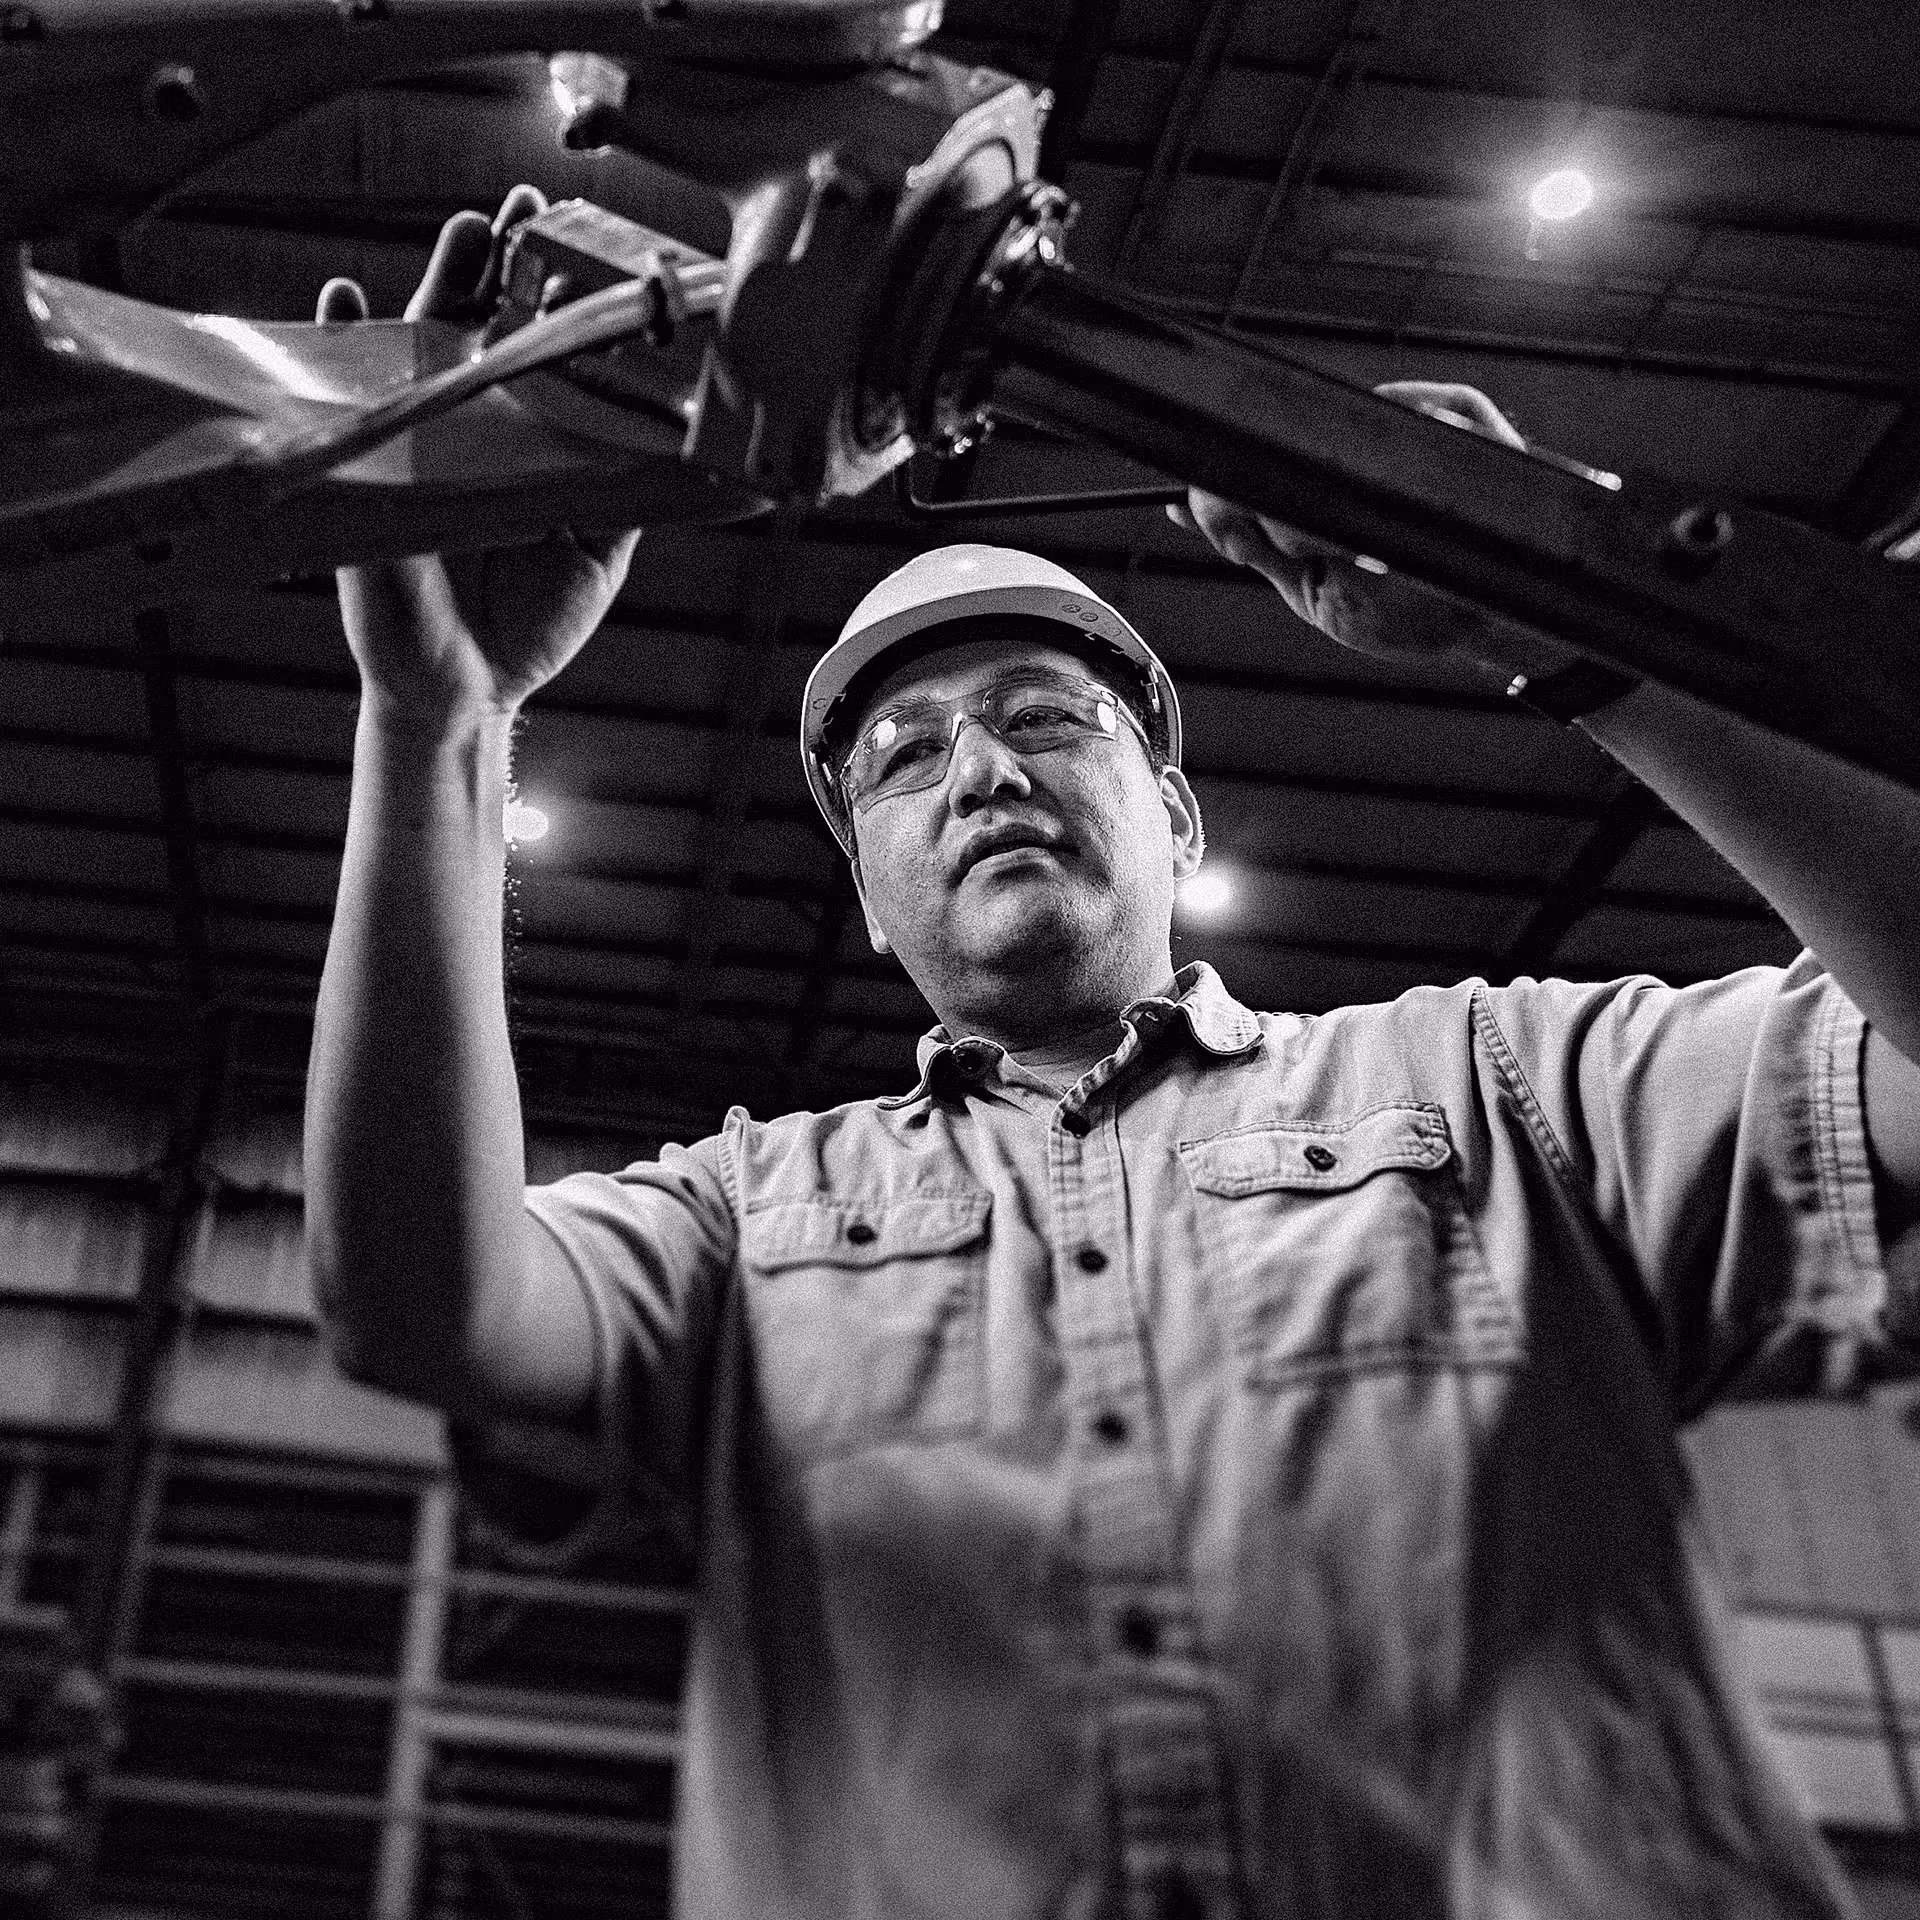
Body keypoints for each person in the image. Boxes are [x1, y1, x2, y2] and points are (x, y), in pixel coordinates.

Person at [306, 195, 1920, 1919]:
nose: (984, 772)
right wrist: (439, 718)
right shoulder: (740, 1222)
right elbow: (422, 1304)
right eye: (905, 757)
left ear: (1176, 817)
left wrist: (1564, 603)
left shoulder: (1502, 1094)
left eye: (1046, 718)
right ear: (866, 905)